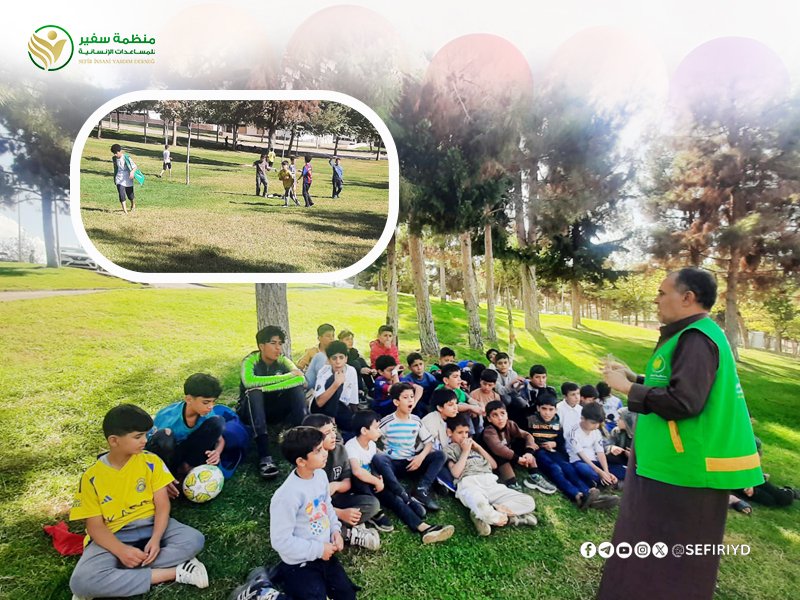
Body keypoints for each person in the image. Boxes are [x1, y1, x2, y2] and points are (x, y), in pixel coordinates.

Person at [598, 267, 763, 600]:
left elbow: (686, 402)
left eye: (662, 292)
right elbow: (678, 386)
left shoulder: (697, 338)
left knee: (673, 557)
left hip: (683, 470)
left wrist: (629, 388)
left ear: (687, 298)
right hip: (668, 464)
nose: (656, 299)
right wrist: (637, 378)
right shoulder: (692, 334)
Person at [69, 404, 208, 598]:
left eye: (145, 435)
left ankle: (115, 575)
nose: (145, 441)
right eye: (138, 437)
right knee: (80, 583)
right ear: (114, 441)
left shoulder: (151, 461)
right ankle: (173, 572)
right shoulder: (91, 478)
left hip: (152, 524)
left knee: (194, 540)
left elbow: (162, 505)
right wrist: (121, 551)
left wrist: (156, 538)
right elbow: (95, 527)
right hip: (114, 533)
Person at [269, 427, 358, 600]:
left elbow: (327, 506)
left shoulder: (320, 475)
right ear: (301, 461)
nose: (325, 453)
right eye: (318, 451)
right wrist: (318, 549)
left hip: (324, 553)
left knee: (347, 595)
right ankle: (264, 592)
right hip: (300, 561)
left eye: (323, 448)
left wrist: (335, 531)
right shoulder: (287, 496)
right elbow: (280, 541)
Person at [346, 410, 455, 544]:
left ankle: (424, 528)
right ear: (364, 430)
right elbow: (357, 471)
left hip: (375, 484)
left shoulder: (372, 445)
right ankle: (403, 501)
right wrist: (376, 481)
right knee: (363, 476)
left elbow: (382, 461)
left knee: (396, 500)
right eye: (376, 428)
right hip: (362, 487)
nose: (379, 431)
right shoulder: (351, 446)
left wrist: (381, 478)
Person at [446, 415, 538, 536]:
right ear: (449, 432)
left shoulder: (476, 448)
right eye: (460, 432)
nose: (464, 436)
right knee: (479, 502)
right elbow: (456, 473)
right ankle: (513, 519)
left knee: (528, 501)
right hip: (469, 484)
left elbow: (493, 465)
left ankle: (487, 514)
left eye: (467, 432)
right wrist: (465, 451)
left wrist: (478, 447)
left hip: (489, 482)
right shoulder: (449, 449)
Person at [302, 414, 381, 550]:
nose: (334, 435)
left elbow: (347, 481)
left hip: (337, 499)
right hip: (314, 508)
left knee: (372, 504)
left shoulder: (340, 450)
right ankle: (348, 533)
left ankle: (341, 527)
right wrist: (340, 513)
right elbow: (306, 505)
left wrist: (337, 486)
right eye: (327, 433)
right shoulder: (307, 461)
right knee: (307, 523)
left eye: (334, 430)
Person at [239, 325, 307, 480]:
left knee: (296, 389)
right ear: (261, 346)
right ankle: (265, 456)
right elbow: (249, 382)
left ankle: (304, 441)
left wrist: (263, 386)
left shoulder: (283, 361)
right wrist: (287, 376)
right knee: (254, 393)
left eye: (280, 343)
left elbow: (301, 379)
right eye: (273, 343)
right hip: (251, 410)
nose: (278, 348)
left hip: (275, 409)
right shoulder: (250, 361)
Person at [528, 393, 608, 510]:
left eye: (551, 409)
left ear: (556, 410)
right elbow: (525, 437)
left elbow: (560, 439)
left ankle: (588, 492)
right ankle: (577, 495)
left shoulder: (556, 420)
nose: (547, 413)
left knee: (568, 467)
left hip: (553, 450)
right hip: (538, 452)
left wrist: (554, 443)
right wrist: (532, 445)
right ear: (538, 408)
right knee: (556, 468)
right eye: (544, 409)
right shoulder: (531, 420)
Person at [376, 383, 446, 511]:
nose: (410, 400)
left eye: (412, 397)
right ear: (396, 402)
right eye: (406, 397)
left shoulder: (416, 420)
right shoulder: (387, 421)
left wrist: (420, 457)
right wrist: (379, 452)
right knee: (379, 459)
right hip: (393, 463)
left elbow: (429, 442)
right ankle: (400, 492)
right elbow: (370, 439)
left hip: (412, 462)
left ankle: (421, 490)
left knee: (440, 455)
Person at [146, 373, 227, 484]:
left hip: (189, 453)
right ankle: (170, 477)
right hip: (167, 457)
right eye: (206, 402)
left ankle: (188, 467)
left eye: (213, 401)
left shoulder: (207, 413)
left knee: (218, 421)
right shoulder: (167, 417)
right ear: (188, 399)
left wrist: (217, 452)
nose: (211, 406)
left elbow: (220, 440)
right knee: (165, 436)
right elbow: (149, 450)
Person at [481, 400, 557, 494]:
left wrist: (529, 452)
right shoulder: (489, 431)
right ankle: (512, 484)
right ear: (489, 418)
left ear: (507, 414)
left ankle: (534, 476)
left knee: (523, 443)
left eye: (502, 413)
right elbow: (498, 449)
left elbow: (527, 435)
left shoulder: (510, 424)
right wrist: (517, 459)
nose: (500, 418)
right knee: (501, 457)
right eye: (495, 415)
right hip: (493, 459)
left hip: (510, 454)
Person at [565, 403, 626, 488]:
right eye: (593, 423)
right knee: (585, 470)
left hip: (595, 461)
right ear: (583, 418)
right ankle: (604, 482)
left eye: (598, 423)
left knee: (623, 470)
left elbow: (600, 452)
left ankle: (605, 480)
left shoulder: (596, 432)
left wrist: (606, 471)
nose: (596, 426)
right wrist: (600, 472)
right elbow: (582, 456)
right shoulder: (574, 433)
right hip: (580, 462)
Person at [311, 341, 360, 434]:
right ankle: (331, 423)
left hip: (340, 406)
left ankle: (338, 428)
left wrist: (355, 416)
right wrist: (336, 384)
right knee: (335, 379)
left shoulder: (351, 371)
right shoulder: (324, 371)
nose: (338, 362)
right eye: (334, 358)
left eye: (341, 357)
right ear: (329, 360)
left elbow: (353, 400)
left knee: (354, 426)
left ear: (346, 359)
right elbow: (319, 402)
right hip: (322, 408)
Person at [493, 352, 530, 429]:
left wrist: (519, 385)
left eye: (505, 363)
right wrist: (512, 382)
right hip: (500, 396)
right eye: (500, 363)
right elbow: (501, 391)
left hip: (512, 394)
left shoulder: (513, 373)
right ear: (496, 365)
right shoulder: (495, 375)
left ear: (509, 363)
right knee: (507, 399)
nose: (503, 365)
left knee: (522, 403)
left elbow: (515, 390)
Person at [299, 323, 336, 389]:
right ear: (319, 338)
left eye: (333, 336)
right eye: (328, 336)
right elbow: (299, 367)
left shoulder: (336, 352)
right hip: (313, 382)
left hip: (332, 381)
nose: (331, 338)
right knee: (320, 357)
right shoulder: (311, 352)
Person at [339, 329, 374, 398]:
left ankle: (371, 388)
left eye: (351, 339)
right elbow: (348, 363)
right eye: (347, 339)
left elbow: (359, 362)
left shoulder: (353, 351)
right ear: (341, 341)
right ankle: (359, 391)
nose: (350, 341)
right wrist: (360, 369)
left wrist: (369, 369)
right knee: (356, 367)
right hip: (344, 372)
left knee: (360, 360)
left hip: (356, 368)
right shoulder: (340, 352)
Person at [401, 352, 439, 416]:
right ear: (409, 368)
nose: (419, 368)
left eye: (421, 364)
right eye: (415, 365)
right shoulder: (407, 379)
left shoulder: (430, 377)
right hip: (415, 403)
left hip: (429, 401)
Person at [110, 143, 142, 214]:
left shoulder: (126, 157)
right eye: (113, 153)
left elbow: (135, 167)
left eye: (116, 153)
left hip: (128, 178)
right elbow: (115, 169)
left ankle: (133, 204)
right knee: (121, 193)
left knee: (130, 195)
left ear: (120, 151)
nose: (115, 154)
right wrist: (114, 178)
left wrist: (132, 172)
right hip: (119, 178)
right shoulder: (114, 158)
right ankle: (125, 212)